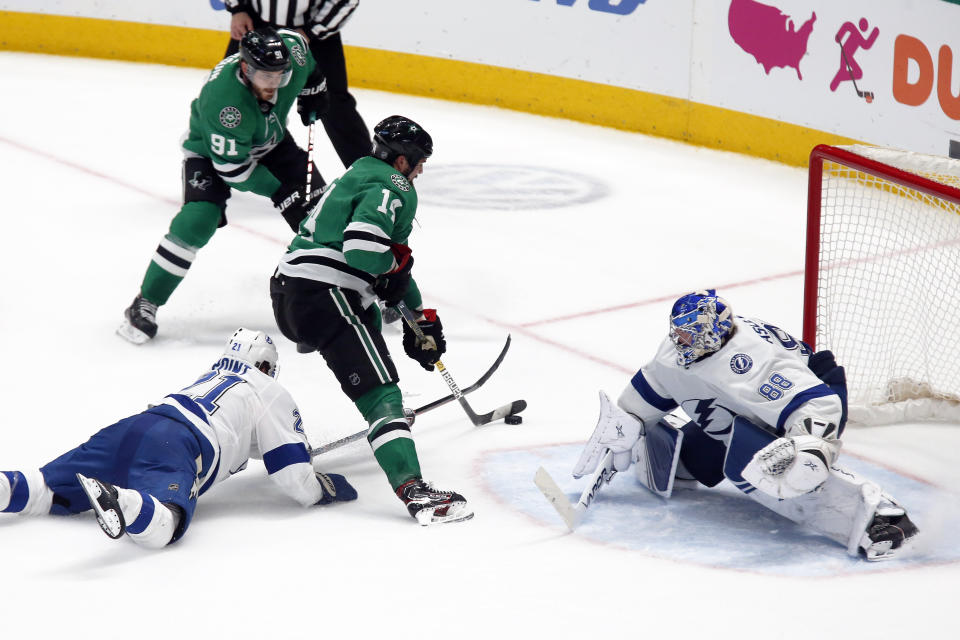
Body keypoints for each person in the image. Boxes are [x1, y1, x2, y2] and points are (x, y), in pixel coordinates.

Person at [573, 289, 919, 561]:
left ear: (712, 333)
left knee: (784, 466)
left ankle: (881, 519)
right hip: (749, 402)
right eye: (677, 333)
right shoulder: (681, 350)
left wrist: (810, 446)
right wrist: (628, 422)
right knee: (694, 461)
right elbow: (652, 389)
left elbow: (819, 405)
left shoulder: (750, 364)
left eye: (688, 336)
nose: (679, 342)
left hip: (815, 392)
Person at [270, 115, 473, 526]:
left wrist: (418, 314)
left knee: (366, 316)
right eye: (419, 163)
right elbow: (365, 252)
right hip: (327, 294)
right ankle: (413, 486)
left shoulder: (358, 173)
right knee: (383, 394)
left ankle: (387, 416)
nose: (420, 171)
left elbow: (388, 265)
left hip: (288, 293)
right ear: (402, 162)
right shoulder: (394, 186)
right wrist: (391, 275)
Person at [0, 328, 357, 548]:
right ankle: (121, 500)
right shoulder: (267, 388)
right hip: (180, 446)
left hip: (138, 424)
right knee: (165, 526)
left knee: (46, 489)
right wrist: (323, 489)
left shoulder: (211, 376)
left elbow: (245, 436)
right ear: (265, 366)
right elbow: (292, 477)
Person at [119, 26, 329, 344]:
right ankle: (146, 301)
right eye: (265, 77)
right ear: (245, 68)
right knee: (198, 220)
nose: (273, 85)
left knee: (323, 213)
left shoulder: (293, 57)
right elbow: (233, 169)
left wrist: (314, 88)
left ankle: (362, 290)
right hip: (211, 154)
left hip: (273, 142)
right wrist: (278, 191)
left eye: (279, 76)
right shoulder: (225, 102)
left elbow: (304, 54)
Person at [224, 0, 371, 170]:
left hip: (313, 34)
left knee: (335, 105)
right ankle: (210, 162)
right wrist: (238, 9)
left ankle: (370, 177)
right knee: (231, 94)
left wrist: (311, 31)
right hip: (253, 24)